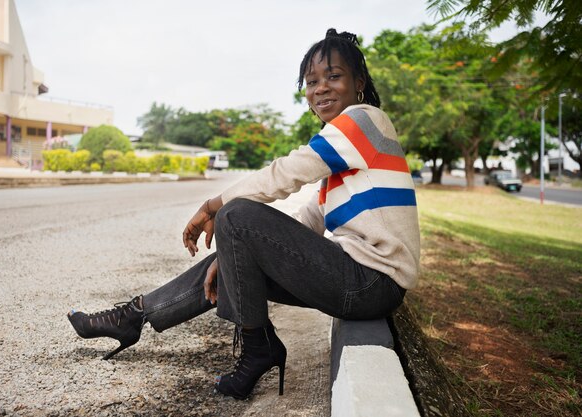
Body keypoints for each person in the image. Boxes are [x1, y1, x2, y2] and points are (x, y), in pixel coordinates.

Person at [68, 28, 420, 401]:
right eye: (312, 81)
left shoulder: (364, 120)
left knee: (235, 215)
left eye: (334, 77)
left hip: (371, 283)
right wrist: (236, 254)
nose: (321, 88)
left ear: (358, 83)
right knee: (236, 241)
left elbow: (284, 173)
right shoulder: (343, 156)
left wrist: (213, 206)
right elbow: (308, 222)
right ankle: (133, 317)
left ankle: (257, 349)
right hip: (360, 282)